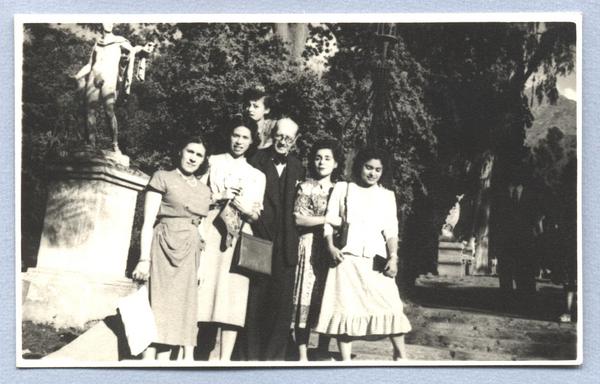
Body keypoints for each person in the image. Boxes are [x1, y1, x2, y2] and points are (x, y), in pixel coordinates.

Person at [314, 147, 412, 361]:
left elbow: (391, 230)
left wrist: (393, 257)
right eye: (369, 167)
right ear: (360, 166)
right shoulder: (343, 188)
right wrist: (331, 247)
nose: (372, 173)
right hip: (346, 260)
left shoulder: (387, 196)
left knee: (391, 304)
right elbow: (329, 222)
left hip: (376, 261)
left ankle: (400, 355)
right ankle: (346, 361)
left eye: (378, 169)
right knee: (345, 309)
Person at [131, 135, 212, 361]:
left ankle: (164, 366)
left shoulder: (205, 190)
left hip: (190, 253)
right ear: (180, 152)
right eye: (190, 152)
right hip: (163, 247)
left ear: (203, 160)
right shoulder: (162, 177)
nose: (193, 158)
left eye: (199, 155)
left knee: (179, 312)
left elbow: (202, 229)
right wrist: (143, 259)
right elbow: (148, 222)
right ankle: (148, 365)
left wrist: (202, 267)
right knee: (157, 307)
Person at [196, 115, 266, 361]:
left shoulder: (257, 175)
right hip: (210, 231)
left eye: (245, 137)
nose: (239, 141)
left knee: (233, 298)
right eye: (236, 135)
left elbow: (256, 215)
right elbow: (195, 197)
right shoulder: (211, 162)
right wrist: (219, 196)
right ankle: (196, 355)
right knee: (203, 294)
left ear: (251, 142)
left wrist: (246, 209)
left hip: (238, 239)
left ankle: (224, 360)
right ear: (229, 136)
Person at [239, 117, 305, 361]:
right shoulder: (256, 159)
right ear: (273, 134)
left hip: (287, 244)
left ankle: (274, 360)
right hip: (260, 238)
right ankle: (250, 358)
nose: (283, 141)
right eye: (280, 135)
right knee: (255, 303)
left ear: (295, 141)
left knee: (280, 306)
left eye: (289, 138)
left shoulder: (299, 167)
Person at [290, 139, 344, 361]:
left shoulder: (341, 189)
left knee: (327, 297)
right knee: (305, 296)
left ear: (336, 163)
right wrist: (329, 219)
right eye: (318, 157)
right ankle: (302, 353)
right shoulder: (305, 186)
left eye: (327, 158)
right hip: (309, 247)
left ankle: (322, 349)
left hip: (331, 250)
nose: (322, 162)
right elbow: (298, 219)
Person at [74, 23, 154, 152]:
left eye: (111, 21)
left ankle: (115, 144)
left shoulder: (119, 41)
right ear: (101, 24)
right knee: (89, 110)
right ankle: (91, 143)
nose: (108, 24)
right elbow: (89, 64)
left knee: (109, 111)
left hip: (109, 76)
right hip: (94, 76)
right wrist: (77, 76)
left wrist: (144, 49)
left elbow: (133, 50)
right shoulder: (97, 44)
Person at [493, 166, 543, 296]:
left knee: (525, 268)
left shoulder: (531, 194)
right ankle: (506, 297)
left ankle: (526, 297)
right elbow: (495, 216)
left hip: (525, 238)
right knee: (505, 269)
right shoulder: (501, 194)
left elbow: (537, 216)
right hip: (505, 237)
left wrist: (538, 235)